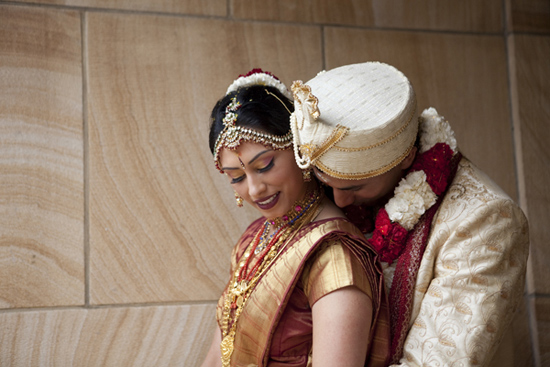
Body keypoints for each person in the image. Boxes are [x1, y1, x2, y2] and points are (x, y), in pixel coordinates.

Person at [289, 62, 530, 367]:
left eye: (355, 186)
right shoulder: (333, 197)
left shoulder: (487, 220)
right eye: (326, 183)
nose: (337, 200)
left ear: (406, 158)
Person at [200, 69, 391, 367]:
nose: (254, 189)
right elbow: (219, 350)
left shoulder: (334, 257)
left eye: (264, 165)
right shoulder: (254, 238)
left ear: (300, 148)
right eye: (235, 177)